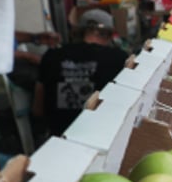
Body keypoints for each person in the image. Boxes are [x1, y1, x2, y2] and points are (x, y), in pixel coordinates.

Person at [33, 9, 129, 139]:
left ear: (78, 32)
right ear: (109, 35)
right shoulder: (120, 59)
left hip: (58, 139)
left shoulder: (51, 56)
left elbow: (37, 109)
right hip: (102, 137)